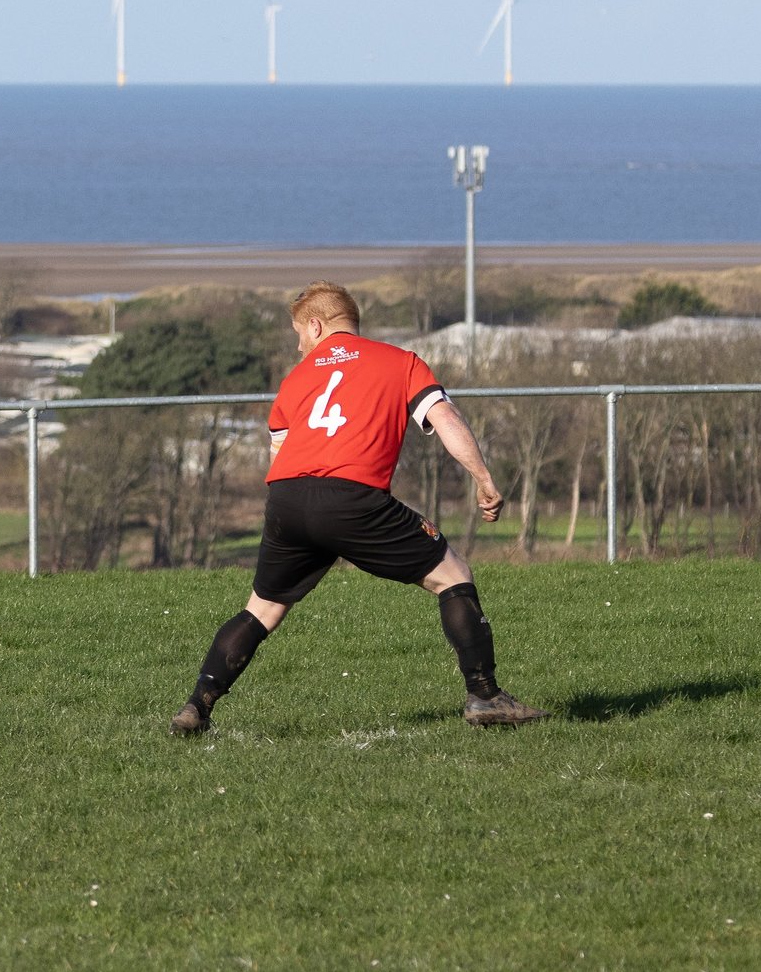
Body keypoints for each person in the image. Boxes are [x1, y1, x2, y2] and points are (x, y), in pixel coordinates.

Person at [171, 280, 547, 736]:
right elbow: (445, 417)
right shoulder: (400, 362)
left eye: (298, 334)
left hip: (287, 498)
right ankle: (485, 696)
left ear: (316, 325)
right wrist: (483, 479)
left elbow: (280, 453)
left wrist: (298, 513)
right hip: (350, 497)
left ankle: (197, 705)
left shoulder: (296, 380)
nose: (298, 344)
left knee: (263, 608)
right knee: (454, 576)